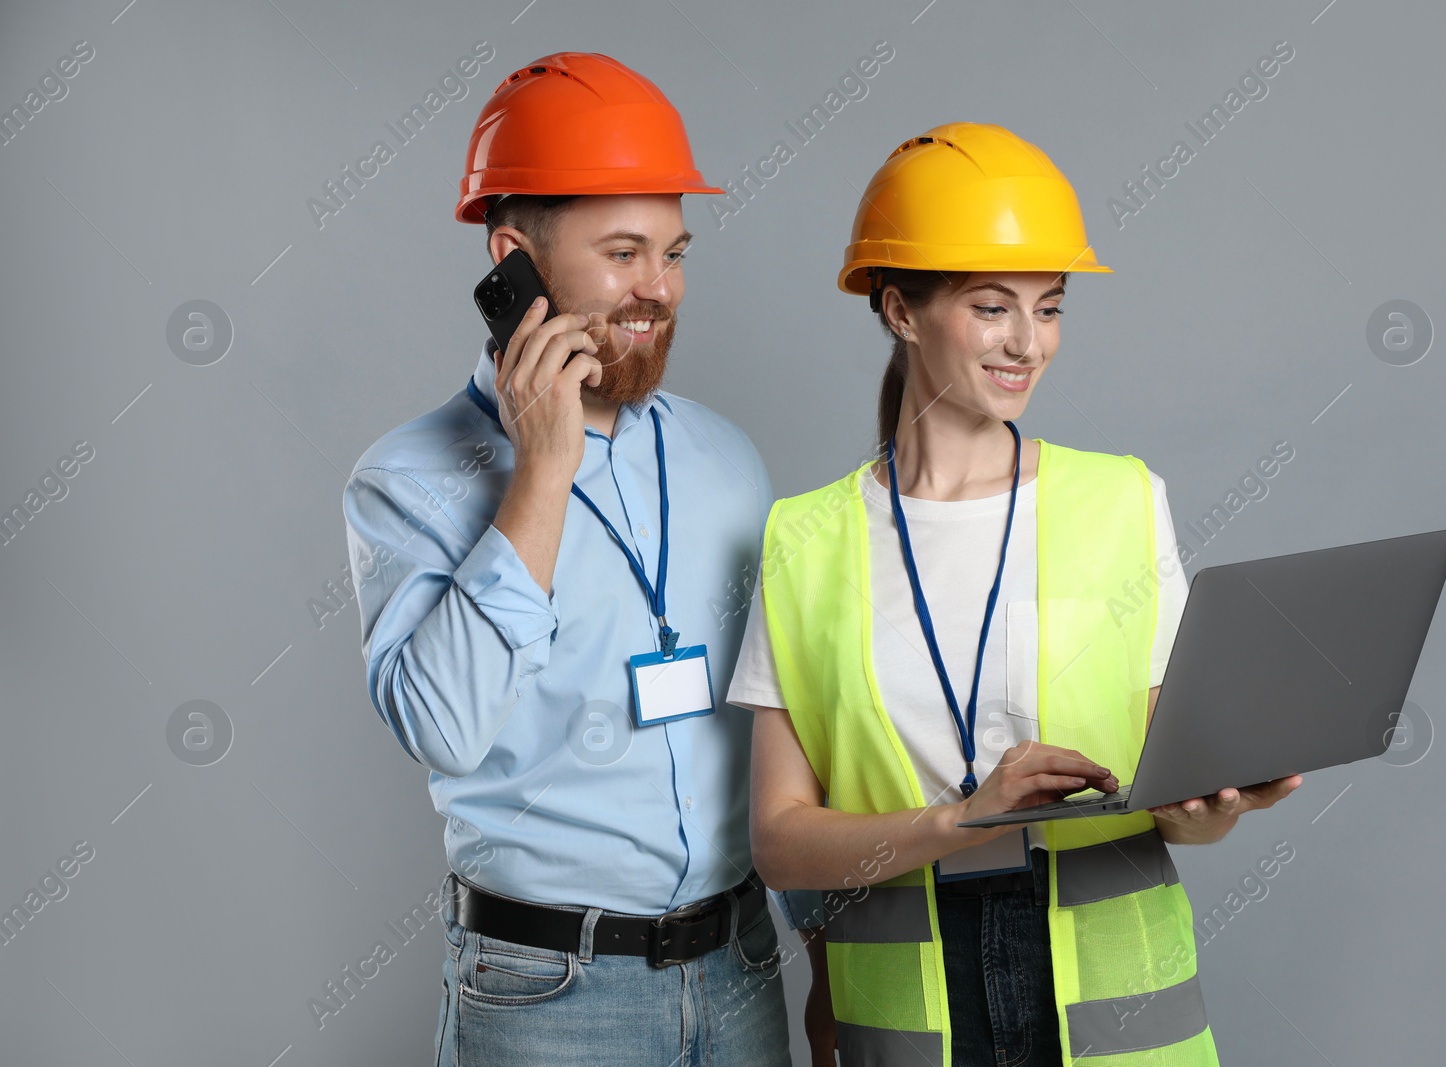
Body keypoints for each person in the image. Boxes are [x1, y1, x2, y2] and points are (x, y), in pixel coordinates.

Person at [730, 122, 1302, 1066]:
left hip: (1117, 997)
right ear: (900, 309)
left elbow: (1174, 784)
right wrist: (960, 817)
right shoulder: (805, 537)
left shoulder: (1121, 499)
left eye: (1049, 307)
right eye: (993, 307)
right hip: (911, 999)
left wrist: (1214, 809)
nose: (1027, 343)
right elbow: (782, 845)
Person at [342, 53, 810, 1066]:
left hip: (743, 966)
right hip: (549, 993)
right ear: (515, 260)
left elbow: (785, 720)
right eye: (624, 252)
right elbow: (443, 724)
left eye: (674, 252)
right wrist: (542, 471)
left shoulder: (727, 459)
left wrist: (826, 940)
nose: (659, 289)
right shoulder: (406, 478)